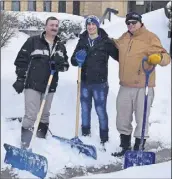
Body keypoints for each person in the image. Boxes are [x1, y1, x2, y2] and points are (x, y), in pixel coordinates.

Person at [111, 12, 171, 157]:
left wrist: (159, 57)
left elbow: (166, 57)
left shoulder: (150, 37)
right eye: (128, 23)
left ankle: (139, 148)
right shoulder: (125, 37)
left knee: (142, 118)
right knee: (122, 117)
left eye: (134, 22)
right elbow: (116, 48)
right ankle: (125, 146)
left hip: (143, 86)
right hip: (125, 85)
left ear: (140, 22)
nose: (131, 25)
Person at [13, 16, 69, 148]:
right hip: (33, 84)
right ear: (46, 27)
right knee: (31, 115)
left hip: (50, 86)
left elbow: (66, 66)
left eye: (56, 25)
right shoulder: (33, 41)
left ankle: (41, 141)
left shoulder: (60, 46)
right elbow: (21, 61)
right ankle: (25, 144)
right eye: (51, 25)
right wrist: (20, 78)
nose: (54, 28)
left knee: (44, 115)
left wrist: (59, 64)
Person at [71, 15, 119, 147]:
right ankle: (85, 135)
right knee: (85, 109)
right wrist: (77, 59)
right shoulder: (82, 40)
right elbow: (73, 61)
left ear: (98, 26)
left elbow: (120, 57)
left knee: (100, 110)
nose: (91, 27)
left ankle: (104, 138)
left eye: (93, 24)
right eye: (88, 24)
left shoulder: (105, 41)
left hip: (100, 83)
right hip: (84, 81)